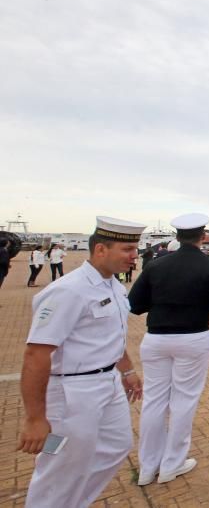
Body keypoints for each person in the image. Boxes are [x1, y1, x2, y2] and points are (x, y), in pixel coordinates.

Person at [17, 216, 146, 507]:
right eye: (127, 250)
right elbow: (36, 355)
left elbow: (111, 336)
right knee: (60, 467)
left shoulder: (112, 286)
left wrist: (128, 371)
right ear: (101, 249)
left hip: (108, 383)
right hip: (73, 391)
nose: (134, 256)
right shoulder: (68, 291)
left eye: (135, 249)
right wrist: (36, 418)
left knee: (116, 446)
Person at [128, 213, 209, 485]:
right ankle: (171, 465)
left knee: (153, 400)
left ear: (177, 236)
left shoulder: (156, 265)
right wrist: (199, 302)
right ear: (203, 236)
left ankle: (146, 467)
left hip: (156, 338)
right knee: (184, 400)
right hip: (192, 336)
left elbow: (135, 304)